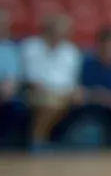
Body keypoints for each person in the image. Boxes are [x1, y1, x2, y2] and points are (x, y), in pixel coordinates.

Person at [21, 13, 83, 149]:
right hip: (37, 91)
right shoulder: (31, 46)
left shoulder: (71, 51)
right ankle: (38, 138)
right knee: (51, 102)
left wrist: (73, 91)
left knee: (68, 100)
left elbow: (72, 79)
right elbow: (31, 78)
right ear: (48, 29)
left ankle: (42, 139)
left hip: (64, 92)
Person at [0, 10, 28, 147]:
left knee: (18, 108)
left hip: (6, 94)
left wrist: (10, 85)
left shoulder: (10, 49)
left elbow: (14, 76)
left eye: (4, 25)